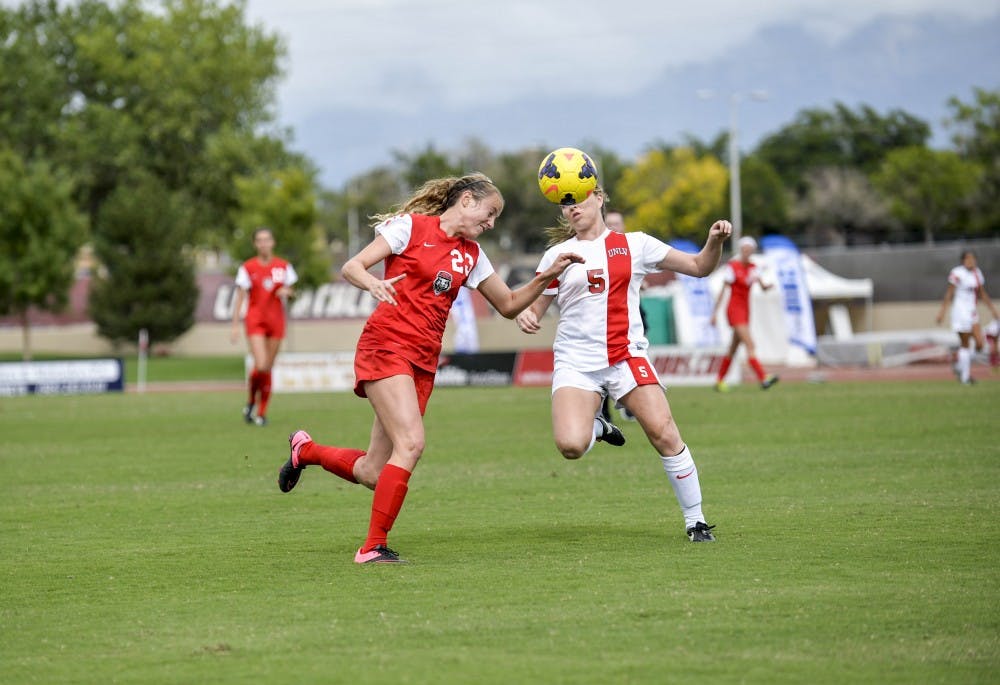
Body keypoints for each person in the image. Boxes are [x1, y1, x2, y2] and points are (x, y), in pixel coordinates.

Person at [276, 173, 583, 564]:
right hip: (386, 346)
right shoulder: (409, 228)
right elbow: (352, 266)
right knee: (411, 443)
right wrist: (372, 283)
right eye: (489, 214)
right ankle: (372, 547)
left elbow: (507, 305)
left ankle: (306, 450)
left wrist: (548, 275)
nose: (490, 224)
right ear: (467, 201)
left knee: (373, 470)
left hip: (423, 360)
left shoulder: (472, 254)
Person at [515, 185, 732, 543]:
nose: (572, 208)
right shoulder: (557, 254)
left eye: (579, 199)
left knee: (664, 433)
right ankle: (597, 428)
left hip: (625, 356)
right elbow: (534, 310)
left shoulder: (636, 244)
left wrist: (714, 241)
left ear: (599, 197)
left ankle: (696, 521)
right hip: (576, 361)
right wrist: (528, 316)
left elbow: (698, 266)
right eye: (565, 204)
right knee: (570, 446)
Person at [230, 227, 297, 426]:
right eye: (259, 240)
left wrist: (288, 291)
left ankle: (261, 412)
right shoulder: (248, 267)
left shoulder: (283, 266)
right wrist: (234, 325)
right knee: (260, 365)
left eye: (267, 239)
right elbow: (240, 297)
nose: (263, 243)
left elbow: (292, 290)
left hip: (276, 321)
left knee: (267, 367)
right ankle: (251, 401)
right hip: (255, 320)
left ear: (273, 242)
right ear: (255, 244)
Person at [710, 236, 778, 392]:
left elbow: (762, 287)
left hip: (746, 310)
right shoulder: (732, 267)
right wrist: (715, 313)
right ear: (741, 250)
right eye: (744, 249)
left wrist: (768, 286)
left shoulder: (754, 267)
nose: (747, 252)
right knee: (750, 344)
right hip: (734, 310)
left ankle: (719, 380)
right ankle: (763, 377)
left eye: (749, 250)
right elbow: (723, 290)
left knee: (733, 348)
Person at [935, 250, 998, 385]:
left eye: (973, 259)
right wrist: (942, 312)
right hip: (960, 312)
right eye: (968, 259)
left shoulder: (977, 273)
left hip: (972, 312)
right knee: (965, 344)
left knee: (980, 344)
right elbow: (949, 293)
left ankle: (959, 365)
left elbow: (982, 293)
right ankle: (965, 377)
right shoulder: (957, 273)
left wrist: (993, 309)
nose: (971, 262)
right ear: (963, 260)